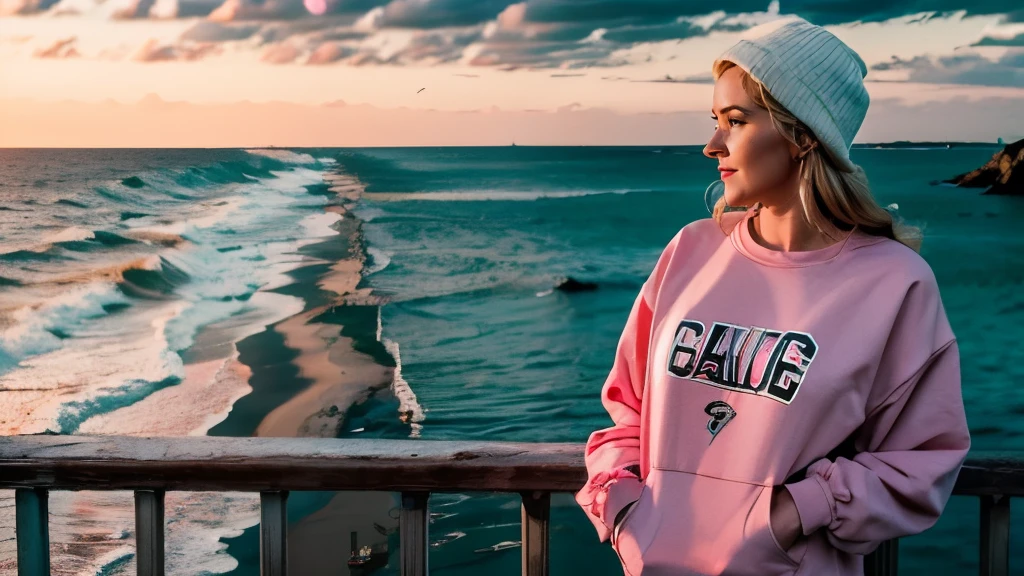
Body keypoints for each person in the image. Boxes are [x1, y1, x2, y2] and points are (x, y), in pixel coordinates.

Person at [574, 17, 971, 576]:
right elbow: (626, 408)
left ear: (803, 133)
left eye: (735, 121)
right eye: (715, 120)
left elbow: (922, 460)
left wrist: (791, 514)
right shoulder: (691, 251)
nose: (713, 144)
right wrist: (623, 509)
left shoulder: (894, 282)